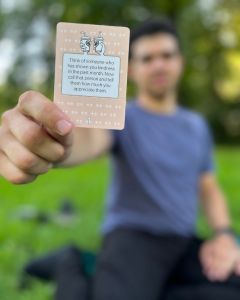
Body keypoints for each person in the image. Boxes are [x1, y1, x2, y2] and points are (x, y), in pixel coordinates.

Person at [1, 18, 240, 300]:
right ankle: (73, 264)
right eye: (147, 58)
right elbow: (90, 140)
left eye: (166, 55)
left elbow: (208, 185)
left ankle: (99, 269)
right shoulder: (122, 118)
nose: (159, 64)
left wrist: (224, 234)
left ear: (180, 62)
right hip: (133, 237)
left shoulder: (196, 126)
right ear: (133, 70)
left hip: (183, 241)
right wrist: (58, 142)